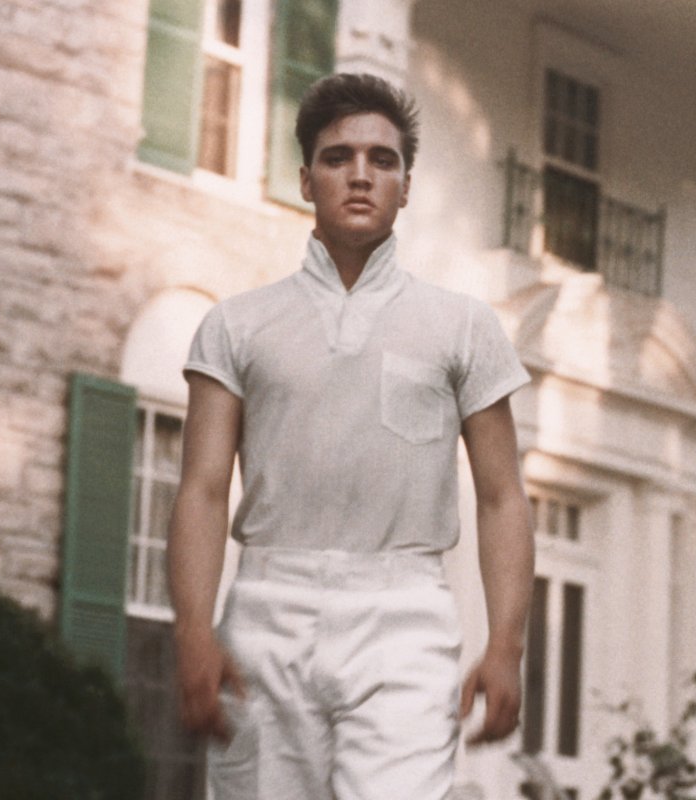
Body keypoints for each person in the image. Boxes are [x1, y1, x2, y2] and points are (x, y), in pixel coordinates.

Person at [168, 72, 535, 800]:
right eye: (338, 158)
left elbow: (501, 497)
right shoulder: (236, 326)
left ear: (406, 184)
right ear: (305, 180)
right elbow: (203, 490)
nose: (361, 174)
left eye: (383, 159)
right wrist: (193, 632)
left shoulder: (463, 326)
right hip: (268, 609)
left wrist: (505, 645)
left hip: (404, 618)